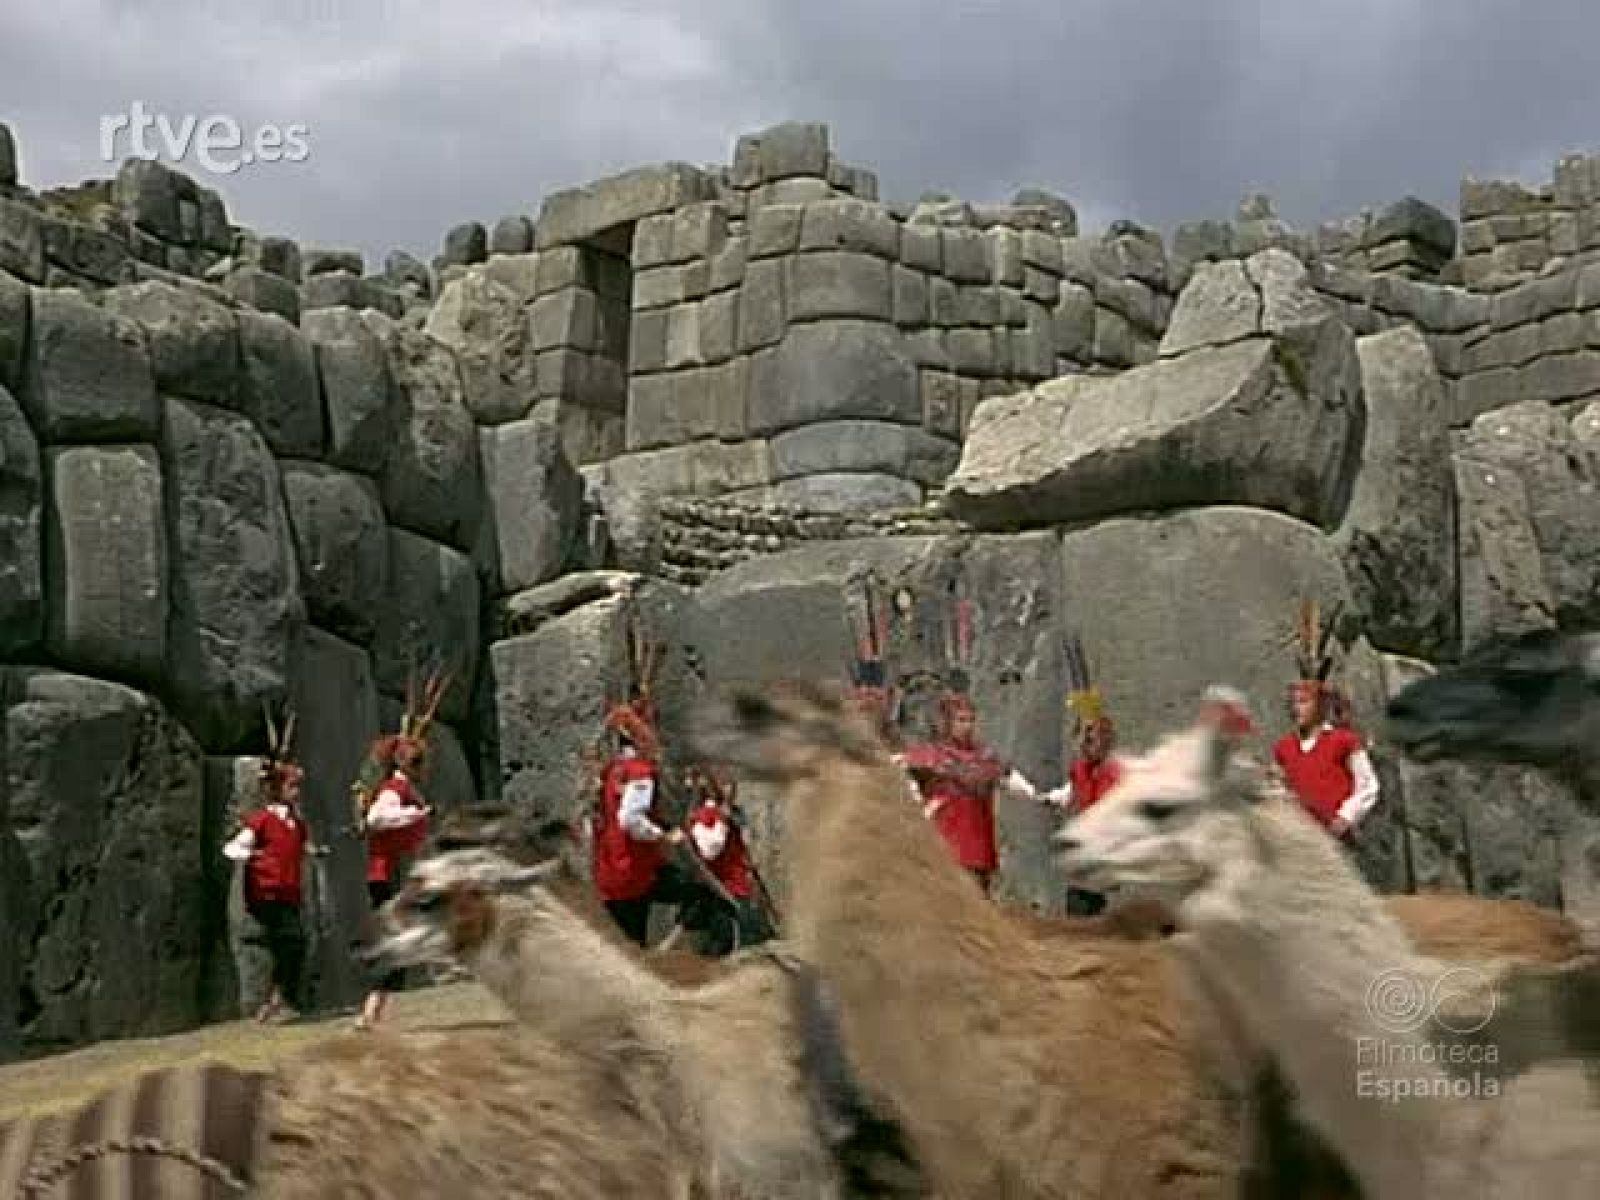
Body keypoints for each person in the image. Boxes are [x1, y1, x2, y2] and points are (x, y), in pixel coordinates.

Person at [901, 687, 1041, 896]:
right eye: (960, 720)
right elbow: (904, 776)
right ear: (946, 722)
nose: (966, 726)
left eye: (970, 720)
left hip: (977, 849)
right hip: (943, 848)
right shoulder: (928, 756)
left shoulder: (986, 758)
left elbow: (1012, 781)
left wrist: (1041, 797)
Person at [223, 741, 311, 1024]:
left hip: (288, 891)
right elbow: (235, 847)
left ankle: (275, 1002)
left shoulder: (296, 823)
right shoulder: (261, 820)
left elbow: (298, 847)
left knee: (289, 946)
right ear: (278, 788)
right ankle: (279, 1001)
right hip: (267, 892)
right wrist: (249, 854)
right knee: (292, 942)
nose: (297, 793)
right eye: (293, 787)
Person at [592, 699, 691, 946]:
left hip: (611, 873)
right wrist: (663, 836)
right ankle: (669, 950)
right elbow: (630, 819)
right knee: (697, 892)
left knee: (625, 945)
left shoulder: (611, 771)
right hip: (634, 872)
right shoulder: (640, 772)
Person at [355, 731, 432, 1030]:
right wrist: (413, 814)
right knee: (394, 941)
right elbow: (376, 818)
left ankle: (374, 1012)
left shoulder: (404, 788)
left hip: (397, 873)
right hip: (389, 874)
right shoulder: (395, 789)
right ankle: (370, 1011)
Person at [1273, 673, 1380, 840]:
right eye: (1293, 703)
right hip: (1297, 839)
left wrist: (1345, 818)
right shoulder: (1284, 748)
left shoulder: (1344, 741)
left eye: (1303, 702)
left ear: (1320, 706)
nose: (1296, 708)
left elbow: (1367, 785)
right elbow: (1281, 787)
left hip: (1337, 836)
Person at [685, 766, 775, 955]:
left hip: (741, 887)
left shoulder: (729, 812)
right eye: (724, 783)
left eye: (731, 783)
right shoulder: (705, 815)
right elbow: (709, 850)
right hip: (725, 892)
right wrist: (722, 821)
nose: (730, 789)